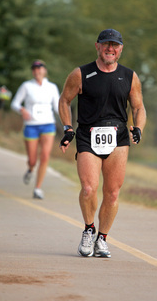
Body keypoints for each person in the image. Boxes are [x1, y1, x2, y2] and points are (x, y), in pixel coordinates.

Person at [59, 29, 146, 258]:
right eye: (106, 44)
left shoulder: (130, 76)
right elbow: (64, 100)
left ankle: (103, 239)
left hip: (118, 137)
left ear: (120, 49)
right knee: (88, 188)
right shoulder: (81, 74)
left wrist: (138, 128)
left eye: (115, 45)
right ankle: (89, 229)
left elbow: (138, 107)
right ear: (97, 46)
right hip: (88, 135)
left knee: (113, 193)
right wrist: (68, 128)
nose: (110, 48)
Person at [11, 60, 60, 199]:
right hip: (31, 125)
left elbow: (57, 106)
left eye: (40, 68)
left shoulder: (52, 87)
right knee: (32, 159)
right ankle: (31, 168)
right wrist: (22, 110)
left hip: (48, 124)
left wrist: (65, 117)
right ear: (32, 72)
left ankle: (38, 188)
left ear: (44, 71)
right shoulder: (26, 86)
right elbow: (15, 103)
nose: (37, 71)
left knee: (45, 155)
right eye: (34, 69)